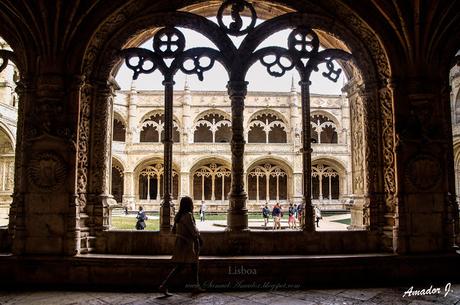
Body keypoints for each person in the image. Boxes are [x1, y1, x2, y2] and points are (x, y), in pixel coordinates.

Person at [159, 196, 204, 296]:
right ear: (189, 205)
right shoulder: (188, 215)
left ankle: (195, 286)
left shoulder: (178, 216)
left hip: (181, 243)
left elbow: (174, 231)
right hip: (187, 244)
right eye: (191, 203)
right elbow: (193, 229)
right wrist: (199, 239)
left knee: (192, 266)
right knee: (183, 266)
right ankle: (164, 285)